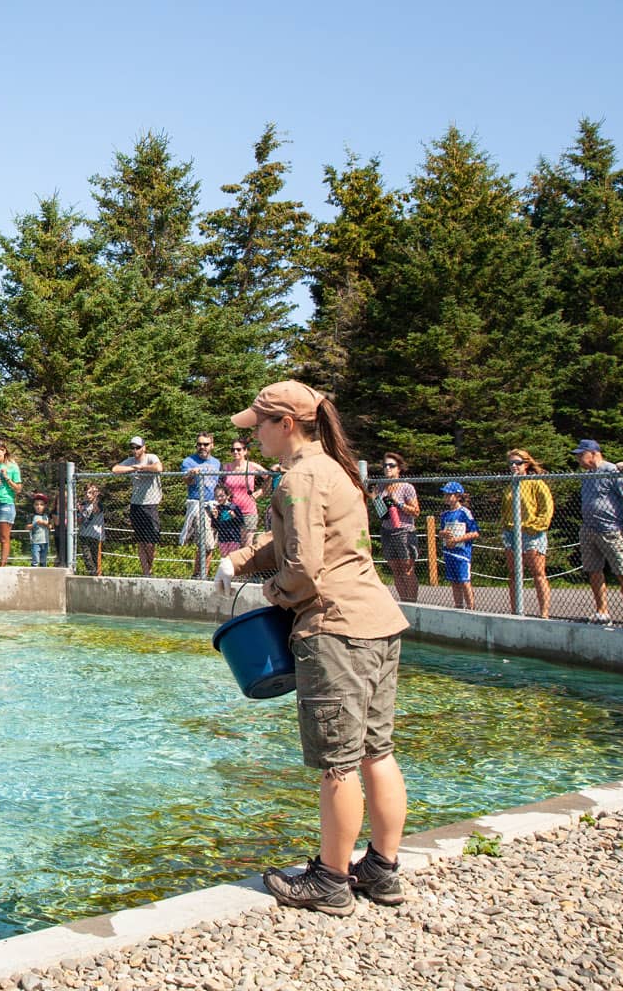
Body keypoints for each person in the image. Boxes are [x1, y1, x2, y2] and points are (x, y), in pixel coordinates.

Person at [214, 380, 410, 915]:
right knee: (377, 751)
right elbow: (293, 540)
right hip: (377, 622)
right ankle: (382, 869)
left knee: (338, 764)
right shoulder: (334, 469)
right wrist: (242, 559)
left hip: (335, 629)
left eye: (258, 426)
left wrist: (269, 593)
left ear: (285, 424)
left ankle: (330, 880)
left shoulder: (299, 478)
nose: (254, 437)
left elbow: (302, 568)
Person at [573, 440, 623, 625]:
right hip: (589, 529)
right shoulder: (587, 475)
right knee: (593, 570)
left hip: (612, 529)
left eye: (581, 454)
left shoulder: (610, 471)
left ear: (593, 453)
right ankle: (602, 611)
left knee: (622, 571)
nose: (578, 459)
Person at [500, 450, 555, 618]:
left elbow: (547, 509)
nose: (514, 466)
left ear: (526, 464)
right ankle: (516, 610)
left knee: (538, 573)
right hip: (511, 533)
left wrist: (533, 527)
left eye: (517, 463)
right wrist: (506, 528)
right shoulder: (511, 485)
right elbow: (505, 510)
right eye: (511, 463)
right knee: (514, 574)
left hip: (531, 533)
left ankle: (544, 612)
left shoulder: (536, 483)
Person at [370, 453, 420, 603]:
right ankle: (404, 601)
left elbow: (416, 511)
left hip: (404, 531)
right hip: (387, 530)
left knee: (407, 569)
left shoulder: (406, 487)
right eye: (385, 465)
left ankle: (413, 602)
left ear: (399, 469)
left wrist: (398, 503)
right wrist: (376, 501)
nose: (387, 468)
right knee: (396, 569)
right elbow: (380, 512)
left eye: (391, 465)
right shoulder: (380, 487)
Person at [111, 437, 163, 576]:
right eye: (132, 447)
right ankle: (145, 572)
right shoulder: (131, 461)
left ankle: (150, 569)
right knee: (141, 541)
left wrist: (142, 467)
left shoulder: (151, 457)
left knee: (151, 542)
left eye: (138, 447)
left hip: (150, 505)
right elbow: (115, 469)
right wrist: (132, 468)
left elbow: (159, 467)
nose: (135, 450)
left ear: (144, 447)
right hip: (136, 504)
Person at [179, 433, 222, 575]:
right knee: (206, 543)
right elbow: (186, 481)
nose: (202, 447)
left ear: (212, 445)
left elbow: (218, 485)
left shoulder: (216, 463)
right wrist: (191, 474)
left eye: (205, 444)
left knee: (210, 545)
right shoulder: (189, 461)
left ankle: (202, 575)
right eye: (199, 444)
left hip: (213, 505)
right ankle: (199, 574)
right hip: (198, 505)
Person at [437, 481, 478, 610]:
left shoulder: (464, 512)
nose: (447, 497)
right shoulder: (444, 515)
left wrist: (458, 539)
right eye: (445, 495)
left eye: (450, 495)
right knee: (454, 582)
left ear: (458, 496)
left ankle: (471, 607)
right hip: (449, 552)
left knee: (464, 581)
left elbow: (475, 533)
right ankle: (458, 606)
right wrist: (442, 533)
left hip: (462, 553)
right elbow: (441, 532)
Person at [223, 438, 268, 543]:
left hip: (248, 512)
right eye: (232, 450)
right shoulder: (226, 468)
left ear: (245, 451)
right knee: (232, 546)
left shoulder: (252, 466)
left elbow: (270, 476)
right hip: (231, 512)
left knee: (247, 546)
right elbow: (218, 485)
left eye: (238, 449)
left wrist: (261, 491)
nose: (235, 452)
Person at [76, 482, 105, 576]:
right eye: (87, 493)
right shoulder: (83, 504)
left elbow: (96, 510)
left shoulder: (99, 504)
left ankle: (98, 575)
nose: (88, 495)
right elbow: (79, 521)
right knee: (87, 557)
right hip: (84, 534)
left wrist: (95, 498)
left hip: (95, 536)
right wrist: (79, 511)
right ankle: (92, 575)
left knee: (96, 557)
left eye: (91, 493)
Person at [211, 482, 245, 556]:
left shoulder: (234, 507)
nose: (219, 498)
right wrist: (215, 517)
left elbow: (241, 522)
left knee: (233, 558)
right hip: (222, 539)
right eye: (216, 496)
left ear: (228, 496)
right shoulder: (217, 508)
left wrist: (234, 516)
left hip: (234, 538)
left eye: (221, 496)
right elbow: (215, 526)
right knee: (224, 558)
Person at [28, 492, 52, 568]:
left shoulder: (46, 516)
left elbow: (50, 526)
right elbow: (27, 527)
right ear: (33, 506)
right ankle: (33, 572)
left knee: (43, 560)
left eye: (41, 505)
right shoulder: (31, 515)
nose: (39, 506)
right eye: (36, 504)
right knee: (35, 560)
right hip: (35, 542)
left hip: (45, 541)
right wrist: (35, 523)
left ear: (44, 506)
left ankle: (44, 574)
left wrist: (45, 523)